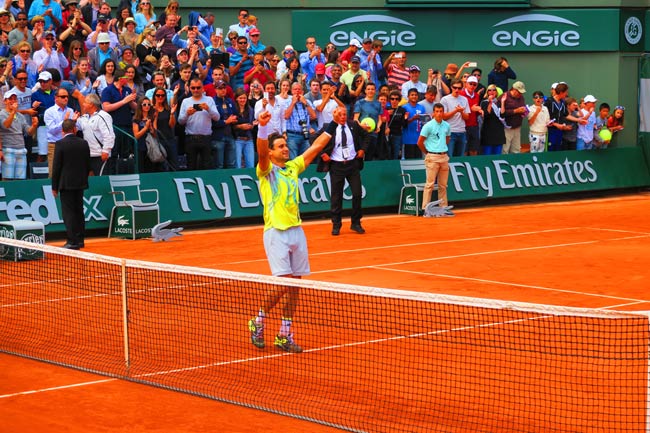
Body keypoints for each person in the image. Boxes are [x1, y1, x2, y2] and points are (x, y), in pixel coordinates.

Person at [247, 109, 334, 354]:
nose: (286, 148)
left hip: (297, 231)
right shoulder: (265, 170)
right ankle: (259, 321)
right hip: (276, 232)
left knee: (295, 285)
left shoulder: (293, 167)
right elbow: (261, 153)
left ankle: (284, 334)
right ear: (272, 151)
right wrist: (262, 129)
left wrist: (334, 124)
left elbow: (316, 147)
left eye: (286, 145)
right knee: (283, 283)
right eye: (281, 146)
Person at [316, 105, 367, 235]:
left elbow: (367, 136)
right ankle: (336, 225)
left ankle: (356, 223)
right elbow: (314, 140)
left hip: (352, 164)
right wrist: (323, 153)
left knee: (357, 193)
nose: (342, 117)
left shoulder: (353, 125)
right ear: (335, 115)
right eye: (340, 114)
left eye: (344, 114)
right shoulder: (329, 127)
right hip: (336, 165)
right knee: (336, 196)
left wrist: (362, 150)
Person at [51, 119, 91, 250]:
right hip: (80, 183)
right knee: (79, 211)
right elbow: (87, 164)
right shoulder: (83, 143)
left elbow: (56, 167)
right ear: (74, 129)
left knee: (69, 213)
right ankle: (80, 240)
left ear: (62, 131)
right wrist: (83, 179)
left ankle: (72, 241)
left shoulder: (60, 144)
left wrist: (54, 187)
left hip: (66, 184)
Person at [177, 77, 220, 170]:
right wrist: (187, 114)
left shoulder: (209, 100)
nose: (196, 90)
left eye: (198, 87)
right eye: (193, 88)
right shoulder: (186, 101)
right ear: (189, 88)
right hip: (190, 137)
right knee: (191, 165)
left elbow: (217, 117)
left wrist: (208, 109)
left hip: (206, 138)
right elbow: (180, 121)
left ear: (202, 88)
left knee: (207, 165)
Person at [417, 103, 452, 212]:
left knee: (443, 185)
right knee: (430, 184)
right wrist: (428, 152)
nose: (439, 114)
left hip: (444, 156)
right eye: (437, 111)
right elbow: (420, 142)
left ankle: (443, 208)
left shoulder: (447, 125)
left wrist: (442, 149)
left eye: (441, 111)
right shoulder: (428, 126)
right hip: (432, 157)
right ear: (433, 113)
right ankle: (425, 208)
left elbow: (447, 139)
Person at [0, 88, 39, 180]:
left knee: (20, 180)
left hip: (21, 150)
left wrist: (34, 125)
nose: (13, 101)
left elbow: (28, 132)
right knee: (7, 179)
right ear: (5, 101)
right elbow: (6, 126)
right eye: (10, 99)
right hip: (8, 149)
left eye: (15, 99)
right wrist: (13, 111)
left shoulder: (20, 116)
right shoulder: (1, 114)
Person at [76, 92, 114, 175]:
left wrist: (106, 151)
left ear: (91, 105)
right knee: (89, 180)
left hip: (100, 155)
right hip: (88, 155)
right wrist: (73, 120)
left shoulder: (103, 116)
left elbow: (109, 135)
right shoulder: (84, 117)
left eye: (85, 102)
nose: (83, 104)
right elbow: (75, 128)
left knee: (100, 180)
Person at [44, 86, 77, 176]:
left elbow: (75, 129)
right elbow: (52, 130)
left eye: (67, 96)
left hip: (69, 145)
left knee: (68, 172)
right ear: (56, 98)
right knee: (54, 173)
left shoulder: (70, 110)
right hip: (55, 145)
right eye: (63, 97)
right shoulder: (49, 112)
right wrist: (64, 121)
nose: (66, 98)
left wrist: (75, 121)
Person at [440, 78, 470, 157]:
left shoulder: (464, 99)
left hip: (462, 131)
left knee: (460, 157)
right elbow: (443, 117)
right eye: (455, 87)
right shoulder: (445, 99)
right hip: (450, 132)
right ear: (451, 87)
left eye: (459, 88)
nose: (457, 90)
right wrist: (456, 111)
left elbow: (467, 117)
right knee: (449, 156)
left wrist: (461, 112)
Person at [499, 81, 527, 154]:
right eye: (519, 92)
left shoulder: (521, 97)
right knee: (505, 150)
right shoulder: (504, 96)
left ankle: (515, 164)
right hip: (506, 128)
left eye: (521, 93)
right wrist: (515, 111)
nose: (520, 94)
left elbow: (523, 106)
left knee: (516, 150)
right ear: (514, 89)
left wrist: (524, 111)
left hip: (517, 127)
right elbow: (500, 113)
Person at [479, 84, 505, 155]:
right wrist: (490, 103)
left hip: (499, 132)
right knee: (487, 155)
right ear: (487, 92)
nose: (492, 91)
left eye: (494, 90)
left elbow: (503, 115)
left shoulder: (499, 103)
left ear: (496, 92)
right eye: (489, 90)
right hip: (488, 133)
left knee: (498, 155)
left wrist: (502, 102)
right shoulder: (484, 102)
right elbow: (486, 114)